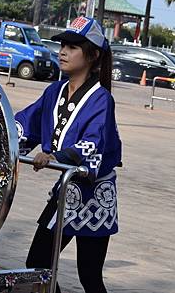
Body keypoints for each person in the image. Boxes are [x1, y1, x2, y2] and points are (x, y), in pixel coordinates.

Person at [15, 17, 122, 293]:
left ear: (93, 55)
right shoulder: (54, 91)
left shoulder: (101, 99)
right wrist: (0, 137)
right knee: (38, 264)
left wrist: (55, 157)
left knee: (89, 275)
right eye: (63, 45)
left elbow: (93, 144)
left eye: (73, 46)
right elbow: (28, 123)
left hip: (94, 195)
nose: (63, 51)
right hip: (67, 190)